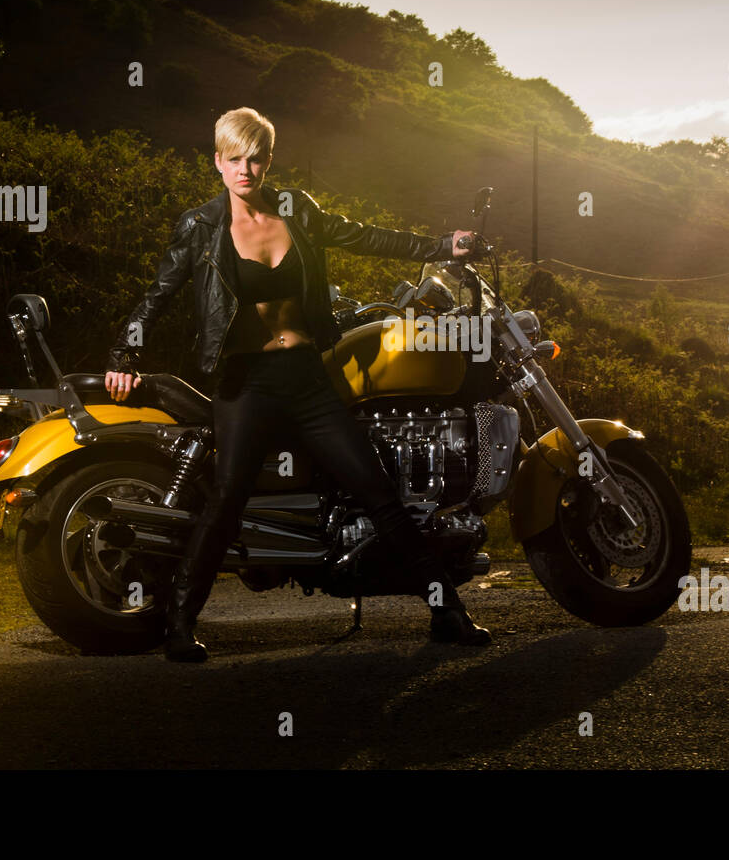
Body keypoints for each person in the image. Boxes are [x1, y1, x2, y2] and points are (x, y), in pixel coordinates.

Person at [104, 107, 491, 661]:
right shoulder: (201, 226)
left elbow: (364, 237)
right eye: (234, 158)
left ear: (268, 161)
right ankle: (180, 626)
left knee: (377, 490)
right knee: (228, 497)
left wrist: (440, 246)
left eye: (256, 158)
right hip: (245, 380)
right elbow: (158, 294)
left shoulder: (296, 210)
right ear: (217, 162)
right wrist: (124, 353)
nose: (246, 169)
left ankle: (447, 612)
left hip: (307, 376)